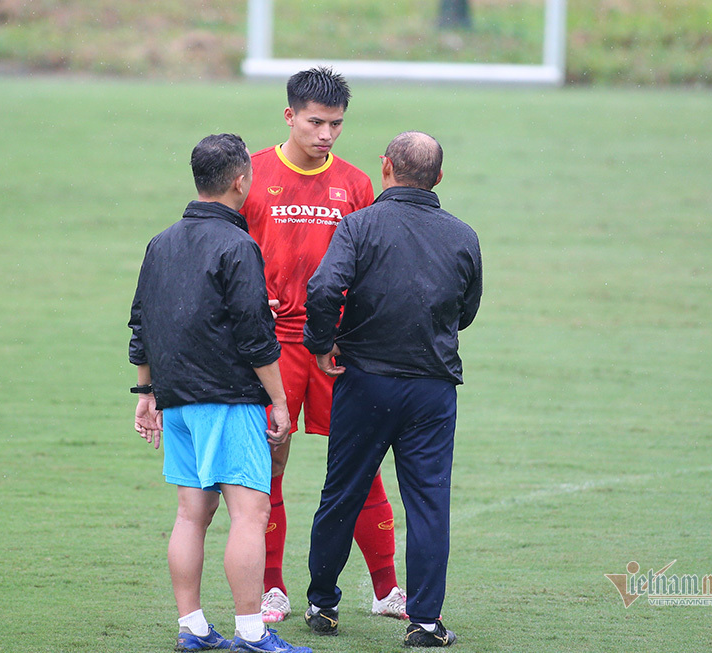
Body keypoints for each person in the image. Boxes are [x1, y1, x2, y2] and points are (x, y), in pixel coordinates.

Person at [128, 133, 311, 653]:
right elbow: (255, 336)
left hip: (176, 398)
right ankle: (252, 632)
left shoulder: (161, 242)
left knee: (190, 514)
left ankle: (193, 627)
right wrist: (277, 400)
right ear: (241, 181)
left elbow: (142, 323)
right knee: (250, 515)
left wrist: (146, 394)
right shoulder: (238, 244)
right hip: (229, 398)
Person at [302, 132, 483, 647]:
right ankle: (425, 622)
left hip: (364, 382)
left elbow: (322, 287)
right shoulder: (463, 235)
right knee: (428, 502)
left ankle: (321, 603)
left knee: (342, 493)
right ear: (439, 178)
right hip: (432, 388)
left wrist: (323, 342)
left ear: (385, 168)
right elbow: (465, 311)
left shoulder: (358, 226)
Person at [240, 66, 405, 623]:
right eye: (316, 122)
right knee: (267, 462)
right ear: (289, 116)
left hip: (336, 347)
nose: (327, 134)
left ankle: (387, 591)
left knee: (362, 464)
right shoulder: (252, 176)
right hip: (271, 347)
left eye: (336, 124)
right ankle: (271, 589)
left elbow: (371, 266)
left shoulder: (357, 185)